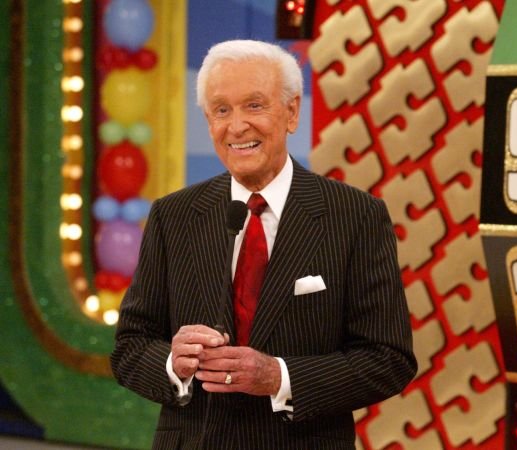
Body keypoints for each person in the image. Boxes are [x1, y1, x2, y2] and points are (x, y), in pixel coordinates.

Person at [111, 39, 417, 449]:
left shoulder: (355, 216)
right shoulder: (174, 215)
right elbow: (130, 347)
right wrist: (172, 363)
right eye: (221, 110)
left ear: (292, 112)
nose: (237, 126)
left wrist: (279, 377)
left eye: (254, 105)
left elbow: (388, 359)